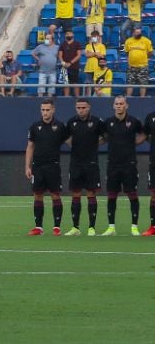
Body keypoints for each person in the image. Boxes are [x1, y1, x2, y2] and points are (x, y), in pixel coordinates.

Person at [101, 95, 145, 236]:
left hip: (129, 163)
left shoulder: (134, 122)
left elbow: (143, 134)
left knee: (132, 194)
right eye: (117, 104)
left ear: (126, 105)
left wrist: (133, 144)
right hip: (113, 164)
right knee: (112, 195)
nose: (119, 106)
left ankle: (134, 226)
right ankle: (111, 227)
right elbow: (103, 137)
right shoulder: (108, 122)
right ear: (113, 106)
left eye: (121, 103)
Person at [25, 98, 67, 235]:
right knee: (37, 195)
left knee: (55, 195)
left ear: (53, 110)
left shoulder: (60, 126)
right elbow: (30, 147)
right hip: (38, 167)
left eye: (48, 110)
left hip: (53, 166)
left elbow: (71, 142)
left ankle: (56, 227)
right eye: (43, 110)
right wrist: (27, 166)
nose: (45, 113)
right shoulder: (34, 126)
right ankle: (39, 227)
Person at [63, 98, 104, 236]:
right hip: (76, 163)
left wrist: (94, 144)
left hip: (91, 163)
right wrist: (72, 144)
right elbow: (65, 137)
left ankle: (91, 227)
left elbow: (107, 136)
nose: (81, 110)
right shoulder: (71, 122)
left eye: (83, 107)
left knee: (91, 194)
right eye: (78, 107)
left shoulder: (97, 122)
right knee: (75, 194)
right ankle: (75, 227)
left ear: (89, 108)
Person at [122, 25, 152, 98]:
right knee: (130, 83)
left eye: (139, 32)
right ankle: (128, 98)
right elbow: (127, 52)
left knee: (143, 84)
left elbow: (150, 52)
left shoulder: (146, 41)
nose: (138, 33)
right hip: (131, 66)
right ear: (133, 33)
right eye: (136, 32)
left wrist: (143, 58)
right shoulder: (128, 41)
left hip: (143, 66)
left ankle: (142, 99)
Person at [60, 29, 82, 97]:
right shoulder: (62, 44)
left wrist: (70, 63)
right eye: (67, 34)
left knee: (75, 83)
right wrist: (63, 63)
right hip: (65, 67)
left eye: (70, 34)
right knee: (66, 83)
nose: (68, 35)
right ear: (65, 35)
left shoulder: (77, 43)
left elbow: (78, 55)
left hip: (74, 67)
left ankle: (77, 98)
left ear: (73, 35)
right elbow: (60, 55)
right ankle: (66, 98)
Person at [144, 108, 155, 235]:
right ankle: (153, 226)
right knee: (154, 194)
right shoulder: (150, 117)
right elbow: (145, 135)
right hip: (154, 160)